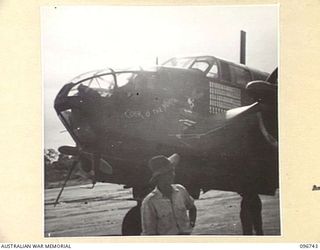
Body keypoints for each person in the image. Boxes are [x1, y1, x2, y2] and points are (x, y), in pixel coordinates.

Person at [141, 153, 197, 235]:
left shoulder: (181, 190)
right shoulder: (150, 201)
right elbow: (149, 233)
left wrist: (191, 224)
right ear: (159, 177)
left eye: (172, 171)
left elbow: (192, 208)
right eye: (167, 173)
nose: (172, 175)